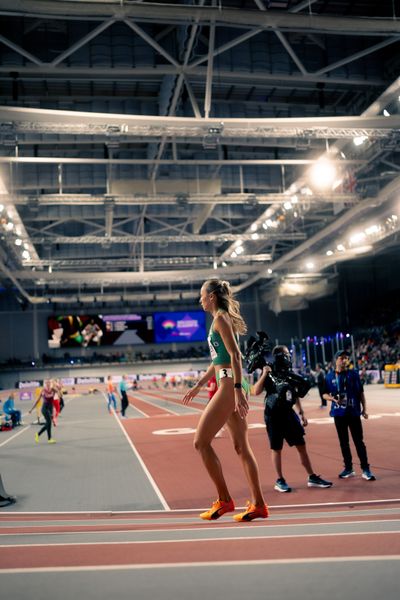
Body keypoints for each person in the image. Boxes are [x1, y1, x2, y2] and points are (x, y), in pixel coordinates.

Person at [182, 278, 268, 522]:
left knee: (200, 442)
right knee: (241, 447)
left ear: (211, 297)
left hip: (231, 384)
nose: (200, 300)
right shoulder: (218, 320)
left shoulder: (220, 319)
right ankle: (259, 505)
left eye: (202, 295)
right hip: (227, 382)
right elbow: (218, 360)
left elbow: (235, 356)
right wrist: (199, 385)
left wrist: (239, 390)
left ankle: (224, 499)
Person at [253, 346, 332, 493]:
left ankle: (312, 476)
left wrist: (301, 413)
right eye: (287, 354)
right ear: (280, 355)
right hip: (273, 415)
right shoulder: (269, 371)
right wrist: (264, 374)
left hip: (288, 413)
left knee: (301, 445)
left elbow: (293, 396)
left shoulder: (288, 374)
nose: (289, 356)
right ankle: (280, 480)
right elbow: (255, 391)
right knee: (276, 448)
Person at [323, 350, 376, 481]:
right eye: (342, 358)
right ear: (336, 360)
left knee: (359, 441)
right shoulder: (329, 376)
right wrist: (333, 399)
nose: (345, 360)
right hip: (338, 413)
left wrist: (365, 409)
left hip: (353, 413)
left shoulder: (353, 374)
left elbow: (361, 393)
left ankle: (366, 469)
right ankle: (348, 468)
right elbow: (324, 394)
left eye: (346, 358)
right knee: (344, 443)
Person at [29, 379, 57, 443]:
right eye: (47, 382)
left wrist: (55, 387)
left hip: (50, 408)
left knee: (48, 424)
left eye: (49, 382)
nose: (48, 383)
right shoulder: (43, 390)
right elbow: (37, 400)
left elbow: (58, 393)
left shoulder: (53, 389)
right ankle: (46, 438)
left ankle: (41, 436)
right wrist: (31, 409)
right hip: (44, 409)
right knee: (49, 422)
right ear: (45, 384)